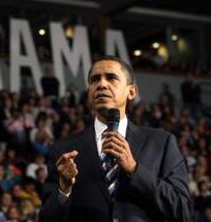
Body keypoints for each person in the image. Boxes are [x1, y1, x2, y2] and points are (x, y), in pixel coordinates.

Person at [39, 56, 192, 222]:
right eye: (94, 80)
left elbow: (182, 210)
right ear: (89, 92)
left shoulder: (162, 143)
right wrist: (64, 189)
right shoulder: (63, 150)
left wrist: (134, 169)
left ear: (131, 91)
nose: (102, 84)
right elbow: (47, 218)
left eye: (111, 78)